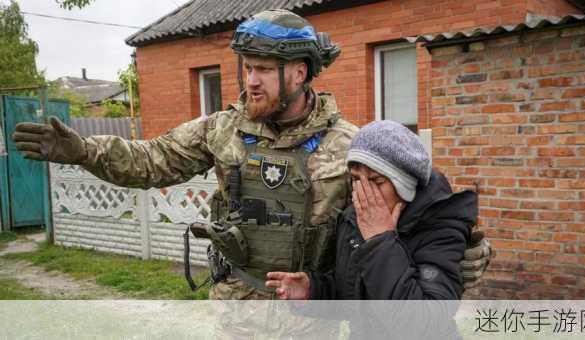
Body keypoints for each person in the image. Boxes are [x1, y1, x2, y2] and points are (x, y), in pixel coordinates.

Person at [12, 10, 489, 303]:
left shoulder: (351, 145)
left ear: (299, 73)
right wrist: (84, 150)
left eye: (263, 70)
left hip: (312, 316)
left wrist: (463, 253)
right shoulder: (222, 130)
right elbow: (151, 159)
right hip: (237, 307)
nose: (250, 81)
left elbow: (413, 209)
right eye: (247, 69)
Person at [265, 120, 476, 337]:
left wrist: (380, 240)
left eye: (376, 180)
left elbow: (419, 323)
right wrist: (312, 291)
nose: (363, 191)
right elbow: (356, 295)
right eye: (356, 179)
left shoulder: (440, 227)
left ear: (404, 183)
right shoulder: (354, 219)